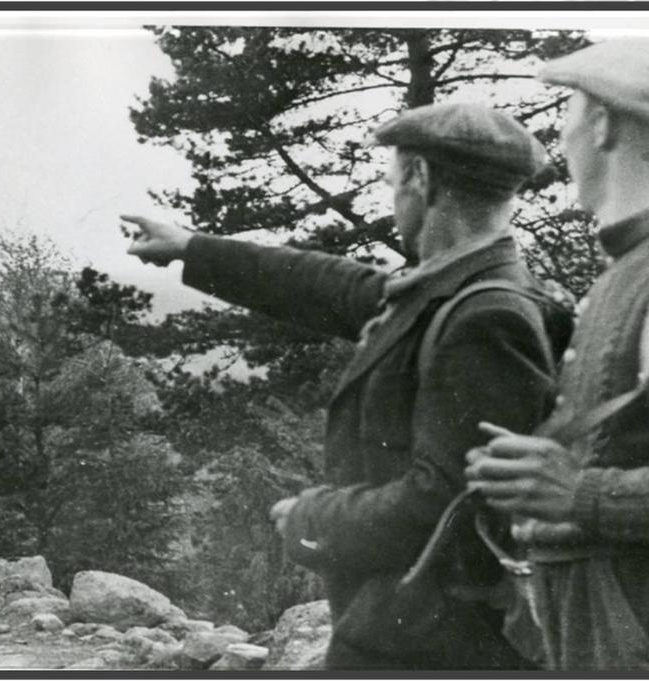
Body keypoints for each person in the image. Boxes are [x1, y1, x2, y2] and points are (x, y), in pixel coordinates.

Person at [123, 102, 566, 669]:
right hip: (413, 634)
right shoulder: (455, 292)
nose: (393, 197)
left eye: (392, 181)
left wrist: (312, 519)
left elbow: (444, 504)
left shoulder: (485, 317)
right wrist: (192, 246)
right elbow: (329, 285)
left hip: (435, 649)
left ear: (421, 179)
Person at [465, 38, 649, 670]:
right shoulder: (640, 264)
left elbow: (591, 489)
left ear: (600, 122)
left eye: (569, 113)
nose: (563, 139)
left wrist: (583, 494)